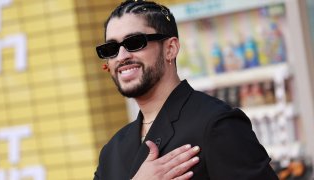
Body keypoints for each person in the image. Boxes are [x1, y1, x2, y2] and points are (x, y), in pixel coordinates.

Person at [94, 0, 279, 179]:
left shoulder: (216, 124)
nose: (121, 56)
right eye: (111, 49)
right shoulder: (112, 151)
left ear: (170, 49)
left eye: (134, 42)